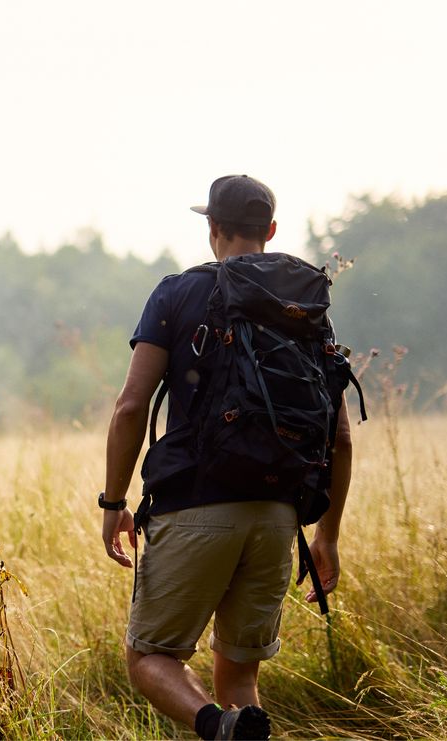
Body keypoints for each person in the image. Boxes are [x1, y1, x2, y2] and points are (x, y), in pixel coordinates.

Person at [99, 175, 353, 740]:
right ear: (271, 230)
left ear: (212, 229)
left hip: (194, 503)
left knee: (150, 658)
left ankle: (213, 726)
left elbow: (130, 407)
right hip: (276, 514)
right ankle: (234, 723)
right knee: (239, 679)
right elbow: (339, 437)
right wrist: (327, 535)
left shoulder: (177, 293)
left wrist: (113, 501)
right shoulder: (304, 307)